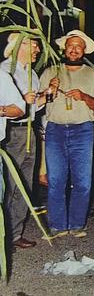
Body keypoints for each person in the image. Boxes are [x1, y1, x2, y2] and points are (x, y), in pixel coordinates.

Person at [40, 30, 94, 238]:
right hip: (55, 130)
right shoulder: (50, 71)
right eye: (71, 45)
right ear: (64, 48)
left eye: (78, 46)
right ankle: (58, 226)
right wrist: (50, 89)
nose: (74, 49)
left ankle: (77, 224)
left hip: (83, 130)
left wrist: (84, 96)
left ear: (84, 50)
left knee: (83, 181)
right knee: (56, 179)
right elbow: (39, 104)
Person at [0, 34, 34, 248]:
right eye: (34, 45)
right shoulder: (6, 70)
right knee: (10, 186)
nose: (37, 50)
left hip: (28, 131)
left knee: (23, 184)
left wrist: (39, 98)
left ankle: (13, 234)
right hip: (13, 133)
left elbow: (24, 108)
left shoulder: (31, 73)